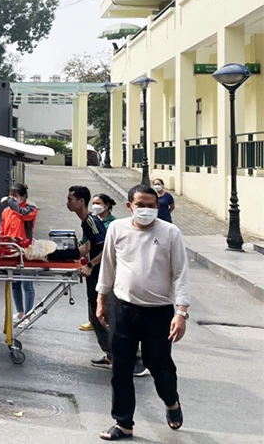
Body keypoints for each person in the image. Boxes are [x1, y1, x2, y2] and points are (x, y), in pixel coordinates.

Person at [96, 184, 190, 441]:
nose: (147, 210)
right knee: (121, 368)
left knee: (159, 366)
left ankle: (171, 402)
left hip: (158, 313)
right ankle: (123, 422)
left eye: (152, 205)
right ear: (129, 207)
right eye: (141, 205)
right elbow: (108, 265)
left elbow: (181, 274)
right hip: (123, 309)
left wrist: (181, 312)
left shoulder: (170, 233)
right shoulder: (117, 228)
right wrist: (101, 299)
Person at [66, 185, 111, 368]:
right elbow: (91, 247)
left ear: (81, 201)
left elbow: (107, 248)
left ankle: (121, 356)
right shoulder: (85, 222)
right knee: (95, 316)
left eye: (70, 199)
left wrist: (91, 265)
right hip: (95, 273)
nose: (68, 202)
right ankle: (110, 354)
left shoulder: (92, 221)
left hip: (101, 274)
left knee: (101, 316)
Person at [0, 183, 38, 327]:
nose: (12, 198)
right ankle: (20, 311)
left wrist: (11, 203)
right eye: (11, 195)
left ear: (23, 197)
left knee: (27, 285)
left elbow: (24, 215)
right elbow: (2, 230)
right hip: (10, 250)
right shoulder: (6, 212)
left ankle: (28, 315)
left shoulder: (31, 209)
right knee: (15, 284)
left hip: (25, 251)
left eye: (15, 196)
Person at [79, 193, 117, 332]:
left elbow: (106, 247)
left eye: (98, 203)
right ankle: (93, 320)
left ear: (106, 206)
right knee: (91, 294)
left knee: (103, 294)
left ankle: (104, 322)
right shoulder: (91, 220)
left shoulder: (112, 223)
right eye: (93, 203)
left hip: (102, 263)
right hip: (90, 261)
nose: (95, 206)